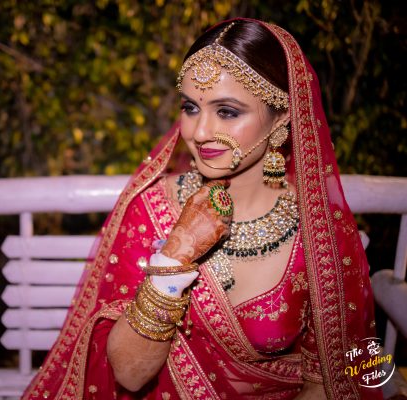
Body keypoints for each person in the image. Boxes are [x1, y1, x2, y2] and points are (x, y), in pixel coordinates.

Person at [23, 18, 382, 399]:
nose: (199, 132)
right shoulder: (152, 207)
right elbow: (128, 375)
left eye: (227, 111)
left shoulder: (320, 232)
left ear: (283, 116)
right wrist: (175, 258)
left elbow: (335, 376)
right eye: (191, 107)